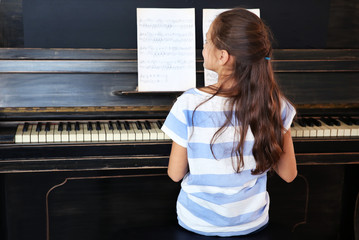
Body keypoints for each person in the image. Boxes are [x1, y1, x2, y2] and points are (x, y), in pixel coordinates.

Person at [161, 8, 297, 237]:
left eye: (206, 42)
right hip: (252, 222)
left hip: (197, 222)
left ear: (223, 56)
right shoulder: (275, 104)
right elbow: (289, 174)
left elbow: (175, 174)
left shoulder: (189, 103)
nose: (203, 48)